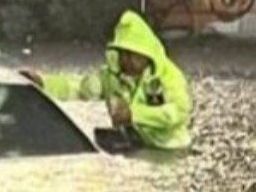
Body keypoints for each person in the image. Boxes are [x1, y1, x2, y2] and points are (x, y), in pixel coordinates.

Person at [22, 10, 192, 150]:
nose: (126, 60)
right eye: (122, 53)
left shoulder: (169, 77)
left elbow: (178, 112)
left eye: (132, 54)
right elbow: (78, 87)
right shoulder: (111, 77)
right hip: (137, 146)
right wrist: (43, 83)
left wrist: (134, 114)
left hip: (172, 150)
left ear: (146, 54)